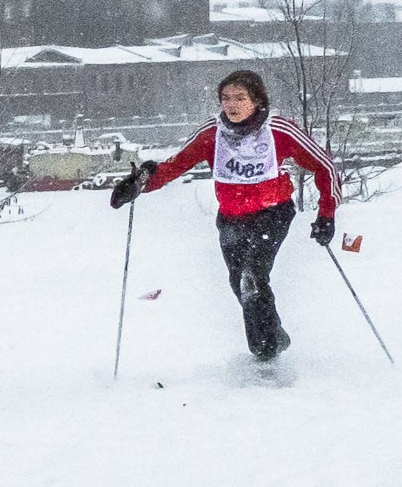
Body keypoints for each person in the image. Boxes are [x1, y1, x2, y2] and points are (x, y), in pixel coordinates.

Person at [109, 69, 338, 361]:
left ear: (257, 100)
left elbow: (323, 165)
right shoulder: (212, 133)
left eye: (241, 98)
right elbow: (177, 164)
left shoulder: (279, 130)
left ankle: (265, 347)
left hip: (272, 212)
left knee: (252, 275)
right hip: (231, 217)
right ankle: (272, 337)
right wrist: (141, 182)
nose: (232, 105)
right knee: (238, 283)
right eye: (226, 98)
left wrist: (326, 214)